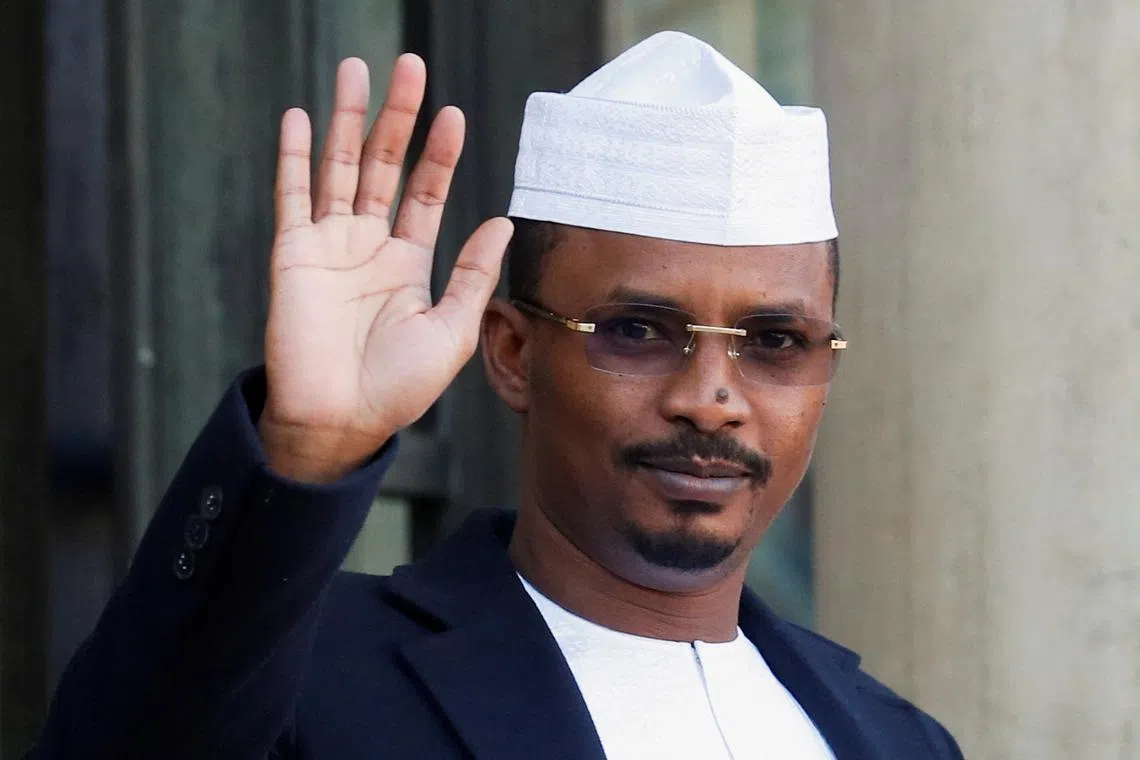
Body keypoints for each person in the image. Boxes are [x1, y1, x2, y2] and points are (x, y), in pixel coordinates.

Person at [30, 31, 963, 759]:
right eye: (639, 331)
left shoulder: (898, 739)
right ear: (514, 353)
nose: (711, 398)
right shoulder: (315, 673)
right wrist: (307, 451)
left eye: (773, 342)